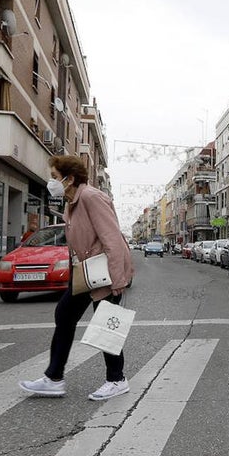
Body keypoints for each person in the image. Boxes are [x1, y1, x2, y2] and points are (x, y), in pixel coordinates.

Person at [20, 155, 135, 400]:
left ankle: (117, 379)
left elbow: (113, 239)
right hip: (86, 272)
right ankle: (54, 378)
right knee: (64, 315)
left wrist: (118, 280)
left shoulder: (92, 197)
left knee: (105, 323)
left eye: (54, 177)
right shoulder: (71, 202)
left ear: (69, 179)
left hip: (102, 272)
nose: (51, 182)